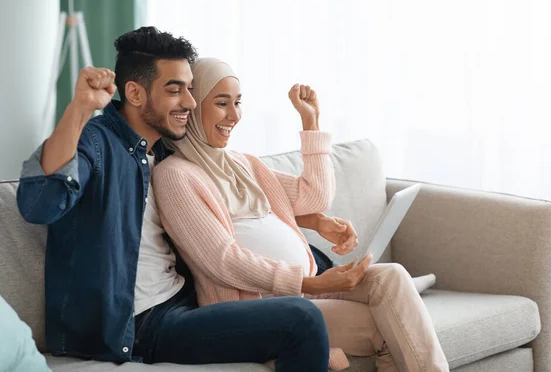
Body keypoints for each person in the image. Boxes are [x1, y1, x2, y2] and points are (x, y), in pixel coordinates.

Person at [16, 27, 331, 372]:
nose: (191, 103)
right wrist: (79, 110)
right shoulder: (97, 144)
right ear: (135, 93)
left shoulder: (170, 151)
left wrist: (312, 220)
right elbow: (39, 205)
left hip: (185, 300)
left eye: (190, 89)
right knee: (300, 318)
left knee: (321, 263)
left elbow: (254, 193)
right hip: (139, 325)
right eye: (175, 90)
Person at [153, 58, 451, 372]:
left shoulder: (242, 164)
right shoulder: (176, 175)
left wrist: (311, 122)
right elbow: (222, 261)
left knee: (392, 277)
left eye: (238, 103)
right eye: (222, 103)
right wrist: (311, 285)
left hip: (309, 286)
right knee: (388, 323)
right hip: (265, 307)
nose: (234, 115)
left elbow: (314, 196)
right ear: (194, 106)